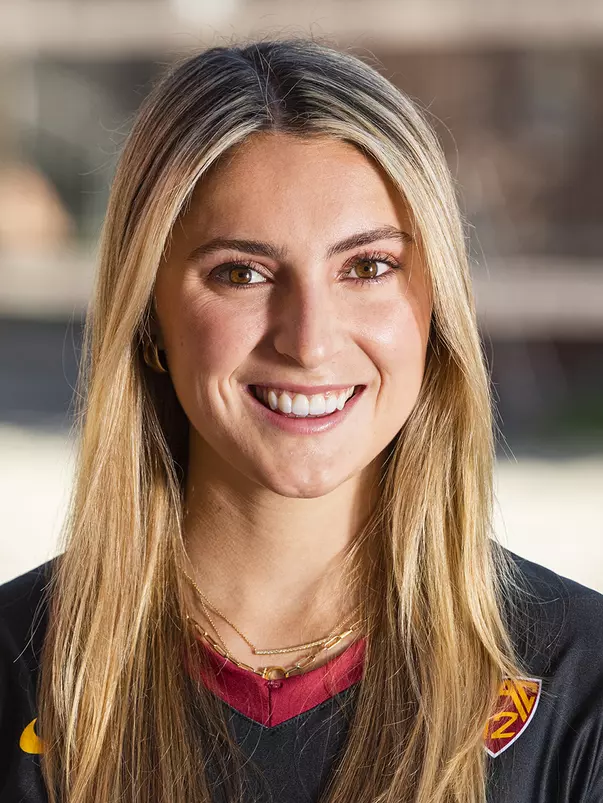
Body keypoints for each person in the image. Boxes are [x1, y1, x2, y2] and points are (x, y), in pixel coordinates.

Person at [1, 37, 602, 803]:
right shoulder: (16, 676)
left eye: (367, 267)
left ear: (435, 307)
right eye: (242, 272)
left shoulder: (578, 687)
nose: (309, 339)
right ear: (150, 318)